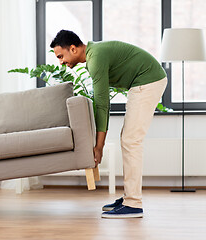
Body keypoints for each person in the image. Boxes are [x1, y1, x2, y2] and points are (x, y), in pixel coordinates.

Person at [50, 30, 167, 219]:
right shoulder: (94, 55)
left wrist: (99, 146)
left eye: (61, 56)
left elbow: (102, 104)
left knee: (131, 141)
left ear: (73, 48)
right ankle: (130, 197)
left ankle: (134, 203)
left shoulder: (95, 59)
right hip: (144, 81)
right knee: (129, 140)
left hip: (148, 80)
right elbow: (101, 103)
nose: (61, 62)